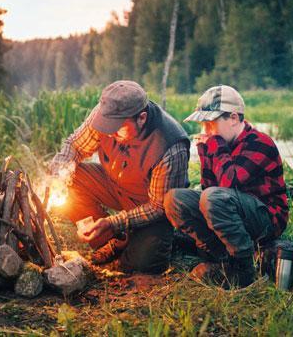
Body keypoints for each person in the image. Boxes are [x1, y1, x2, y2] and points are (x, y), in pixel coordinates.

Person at [49, 80, 190, 273]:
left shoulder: (169, 145)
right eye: (108, 126)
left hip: (151, 206)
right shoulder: (105, 117)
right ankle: (111, 240)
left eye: (118, 128)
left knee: (140, 265)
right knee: (72, 178)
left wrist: (113, 223)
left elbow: (158, 206)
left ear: (141, 118)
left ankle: (173, 240)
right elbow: (75, 146)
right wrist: (58, 175)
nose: (110, 132)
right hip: (115, 186)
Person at [163, 85, 288, 288]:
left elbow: (230, 184)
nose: (206, 131)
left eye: (211, 123)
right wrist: (205, 152)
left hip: (266, 219)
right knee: (175, 199)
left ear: (234, 118)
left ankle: (243, 268)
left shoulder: (260, 142)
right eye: (204, 124)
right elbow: (208, 187)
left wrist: (214, 144)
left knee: (214, 197)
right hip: (233, 211)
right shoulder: (218, 142)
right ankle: (218, 257)